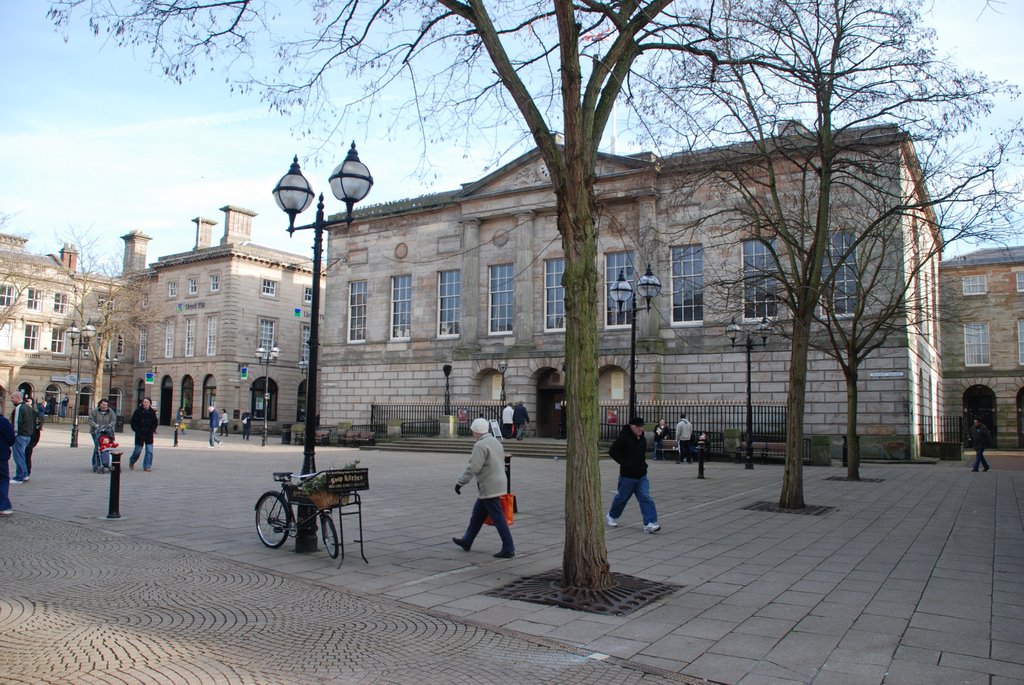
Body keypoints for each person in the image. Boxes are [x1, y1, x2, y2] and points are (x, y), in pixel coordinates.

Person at [451, 417, 515, 558]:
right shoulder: (495, 442)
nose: (472, 432)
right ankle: (467, 540)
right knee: (477, 515)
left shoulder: (480, 445)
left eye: (473, 430)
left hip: (489, 485)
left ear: (476, 431)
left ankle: (509, 547)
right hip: (498, 482)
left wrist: (460, 482)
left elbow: (473, 467)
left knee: (498, 517)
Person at [606, 416, 660, 533]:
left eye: (641, 426)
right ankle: (611, 515)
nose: (640, 429)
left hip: (641, 475)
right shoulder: (624, 437)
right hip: (627, 476)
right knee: (622, 498)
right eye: (638, 426)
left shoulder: (642, 438)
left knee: (645, 497)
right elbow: (613, 451)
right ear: (632, 426)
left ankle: (649, 523)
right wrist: (625, 463)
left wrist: (643, 466)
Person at [9, 392, 35, 484]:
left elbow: (16, 423)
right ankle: (24, 475)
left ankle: (20, 476)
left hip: (20, 436)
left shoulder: (19, 408)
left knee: (18, 457)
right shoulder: (28, 408)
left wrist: (13, 435)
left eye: (12, 398)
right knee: (22, 456)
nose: (11, 400)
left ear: (17, 397)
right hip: (27, 435)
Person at [128, 398, 159, 471]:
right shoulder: (138, 411)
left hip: (149, 434)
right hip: (139, 434)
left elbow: (155, 422)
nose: (145, 403)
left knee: (149, 451)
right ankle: (132, 461)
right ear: (142, 403)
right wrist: (136, 430)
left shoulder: (152, 412)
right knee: (137, 451)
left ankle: (147, 466)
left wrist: (152, 430)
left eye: (147, 402)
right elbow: (133, 422)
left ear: (150, 403)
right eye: (144, 402)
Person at [88, 398, 117, 472]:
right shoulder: (95, 411)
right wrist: (96, 425)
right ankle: (95, 463)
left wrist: (110, 425)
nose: (104, 406)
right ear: (100, 404)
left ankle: (108, 462)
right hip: (96, 432)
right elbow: (90, 420)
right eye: (103, 404)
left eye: (106, 405)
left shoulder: (111, 411)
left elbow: (114, 420)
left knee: (108, 447)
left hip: (107, 432)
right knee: (97, 447)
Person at [0, 414, 16, 515]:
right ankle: (3, 506)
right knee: (3, 479)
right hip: (1, 455)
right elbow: (11, 439)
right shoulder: (3, 422)